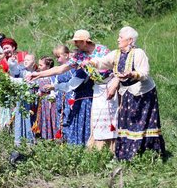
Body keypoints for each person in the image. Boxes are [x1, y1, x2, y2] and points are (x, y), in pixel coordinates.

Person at [89, 26, 165, 160]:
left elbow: (144, 73)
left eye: (121, 37)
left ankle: (147, 153)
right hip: (127, 93)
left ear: (130, 40)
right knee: (126, 120)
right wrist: (92, 61)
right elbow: (103, 63)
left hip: (143, 93)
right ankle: (127, 154)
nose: (118, 40)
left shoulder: (139, 53)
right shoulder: (116, 53)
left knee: (142, 121)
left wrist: (132, 73)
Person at [69, 30, 119, 151]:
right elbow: (62, 68)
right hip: (97, 87)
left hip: (110, 83)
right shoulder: (79, 56)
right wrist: (40, 75)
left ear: (85, 42)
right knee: (97, 116)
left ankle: (114, 146)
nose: (75, 44)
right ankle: (98, 147)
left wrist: (115, 83)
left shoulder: (102, 50)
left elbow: (115, 66)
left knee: (112, 115)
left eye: (77, 42)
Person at [32, 56, 58, 140]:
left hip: (49, 101)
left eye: (41, 65)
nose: (39, 67)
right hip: (42, 100)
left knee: (50, 117)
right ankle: (44, 136)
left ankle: (53, 136)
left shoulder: (52, 76)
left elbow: (54, 87)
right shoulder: (41, 76)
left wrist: (52, 96)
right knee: (42, 117)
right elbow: (40, 88)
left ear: (48, 66)